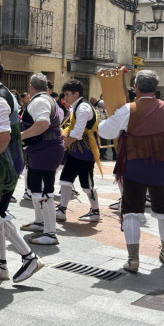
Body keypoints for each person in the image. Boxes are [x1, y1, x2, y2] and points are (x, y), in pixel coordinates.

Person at [98, 70, 164, 272]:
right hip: (161, 168)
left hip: (134, 166)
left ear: (136, 87)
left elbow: (105, 131)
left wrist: (111, 117)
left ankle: (133, 259)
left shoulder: (129, 109)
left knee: (131, 211)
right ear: (156, 88)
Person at [0, 58, 42, 282]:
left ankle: (29, 256)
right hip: (5, 163)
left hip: (4, 165)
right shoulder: (3, 95)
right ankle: (0, 264)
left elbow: (3, 136)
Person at [19, 74, 65, 244]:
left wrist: (20, 136)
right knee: (36, 190)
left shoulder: (39, 101)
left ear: (31, 87)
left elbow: (43, 123)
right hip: (41, 150)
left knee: (46, 192)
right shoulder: (47, 99)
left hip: (45, 151)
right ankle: (40, 223)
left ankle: (50, 233)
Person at [57, 79, 103, 224]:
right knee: (65, 180)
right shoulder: (78, 106)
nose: (65, 98)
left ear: (76, 94)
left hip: (85, 153)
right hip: (75, 152)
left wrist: (63, 145)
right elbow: (73, 128)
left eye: (67, 94)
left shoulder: (83, 108)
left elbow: (77, 132)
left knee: (87, 185)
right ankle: (61, 209)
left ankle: (95, 211)